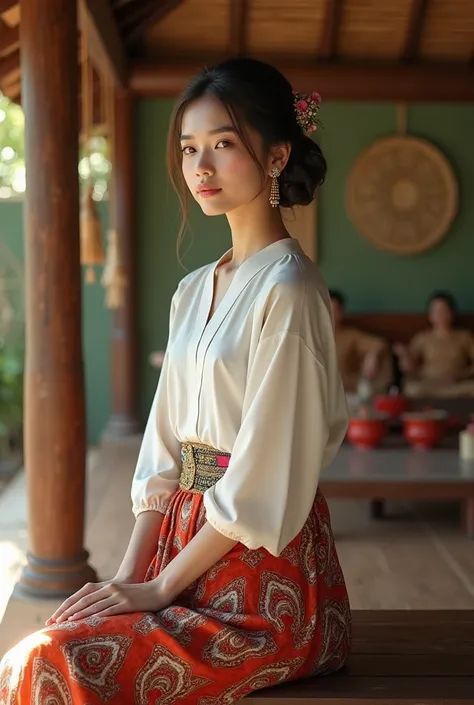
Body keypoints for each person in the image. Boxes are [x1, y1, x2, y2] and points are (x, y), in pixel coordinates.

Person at [0, 57, 351, 703]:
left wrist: (158, 589)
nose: (201, 167)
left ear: (276, 157)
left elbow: (266, 473)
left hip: (260, 581)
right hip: (175, 549)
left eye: (223, 143)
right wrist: (130, 576)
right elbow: (164, 452)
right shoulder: (193, 290)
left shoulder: (291, 290)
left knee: (52, 664)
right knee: (49, 641)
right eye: (190, 148)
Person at [394, 291, 474, 398]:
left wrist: (463, 375)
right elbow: (410, 367)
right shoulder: (422, 338)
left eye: (443, 311)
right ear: (430, 315)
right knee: (412, 389)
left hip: (456, 384)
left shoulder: (464, 337)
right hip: (429, 385)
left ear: (451, 313)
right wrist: (405, 354)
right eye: (436, 311)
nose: (440, 315)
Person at [330, 290, 393, 395]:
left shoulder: (351, 336)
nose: (329, 314)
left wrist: (372, 356)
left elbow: (379, 344)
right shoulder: (307, 336)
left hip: (345, 392)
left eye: (334, 310)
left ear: (341, 312)